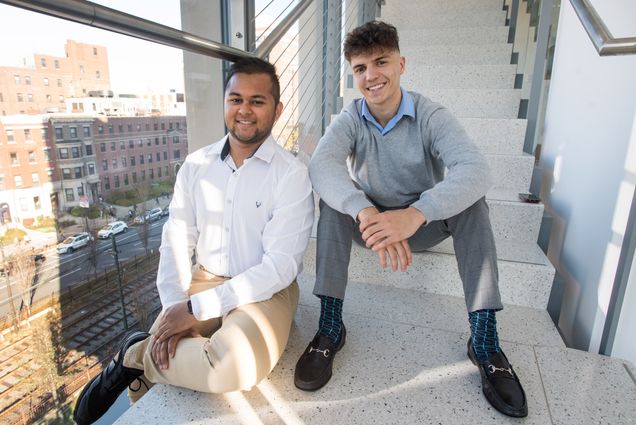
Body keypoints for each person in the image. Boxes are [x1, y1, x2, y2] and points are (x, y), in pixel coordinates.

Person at [293, 21, 527, 418]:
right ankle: (331, 326)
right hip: (368, 225)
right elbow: (322, 166)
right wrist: (366, 211)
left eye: (380, 62)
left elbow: (476, 169)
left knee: (473, 204)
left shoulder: (431, 115)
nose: (371, 76)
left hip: (420, 226)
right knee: (333, 203)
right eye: (361, 69)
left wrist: (415, 214)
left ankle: (484, 341)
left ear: (401, 63)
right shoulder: (350, 118)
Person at [73, 57, 315, 425]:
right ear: (224, 104)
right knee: (165, 348)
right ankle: (151, 362)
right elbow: (175, 239)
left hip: (267, 289)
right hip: (205, 278)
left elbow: (279, 266)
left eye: (257, 101)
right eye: (235, 99)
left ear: (277, 109)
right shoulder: (196, 165)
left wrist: (195, 311)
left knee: (234, 368)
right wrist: (175, 304)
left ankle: (133, 356)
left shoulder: (292, 175)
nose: (244, 110)